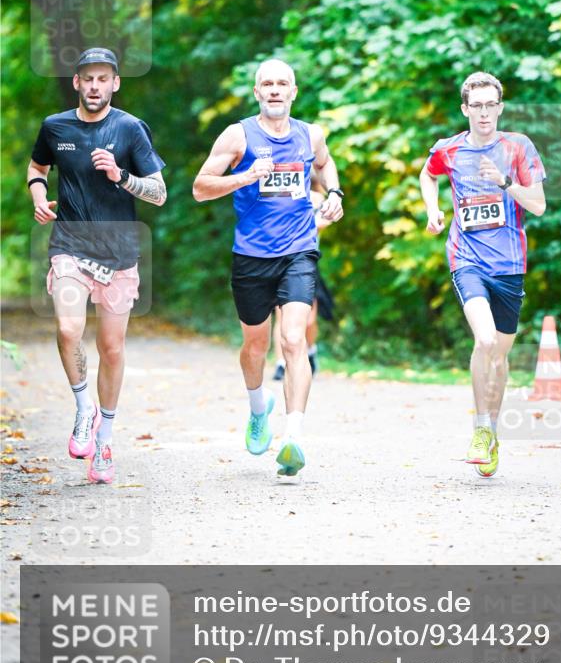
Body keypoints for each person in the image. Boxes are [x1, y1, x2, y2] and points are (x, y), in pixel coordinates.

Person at [192, 57, 344, 476]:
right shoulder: (237, 136)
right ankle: (259, 409)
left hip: (299, 249)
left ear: (294, 92)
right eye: (267, 84)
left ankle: (293, 437)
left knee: (294, 340)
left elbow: (324, 164)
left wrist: (334, 193)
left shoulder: (310, 134)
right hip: (252, 256)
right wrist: (244, 176)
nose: (275, 90)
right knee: (255, 346)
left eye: (283, 83)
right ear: (257, 92)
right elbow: (200, 188)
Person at [28, 47, 166, 484]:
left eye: (103, 79)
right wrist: (37, 197)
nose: (94, 86)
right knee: (68, 329)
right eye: (87, 78)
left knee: (111, 348)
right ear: (76, 82)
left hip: (119, 253)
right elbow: (37, 166)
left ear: (115, 83)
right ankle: (83, 406)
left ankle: (104, 438)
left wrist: (121, 177)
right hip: (70, 244)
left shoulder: (129, 129)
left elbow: (159, 192)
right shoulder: (55, 126)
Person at [419, 71, 546, 477]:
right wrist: (432, 209)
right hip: (466, 258)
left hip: (509, 266)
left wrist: (505, 181)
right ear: (465, 109)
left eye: (492, 104)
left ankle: (492, 431)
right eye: (477, 105)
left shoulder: (518, 147)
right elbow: (427, 173)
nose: (485, 112)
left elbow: (539, 205)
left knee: (500, 356)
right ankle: (480, 429)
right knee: (485, 339)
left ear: (501, 107)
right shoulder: (450, 149)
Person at [272, 185, 336, 381]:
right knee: (281, 315)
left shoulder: (321, 200)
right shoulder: (282, 194)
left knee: (309, 320)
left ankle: (310, 350)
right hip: (279, 261)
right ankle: (281, 363)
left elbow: (323, 223)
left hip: (306, 263)